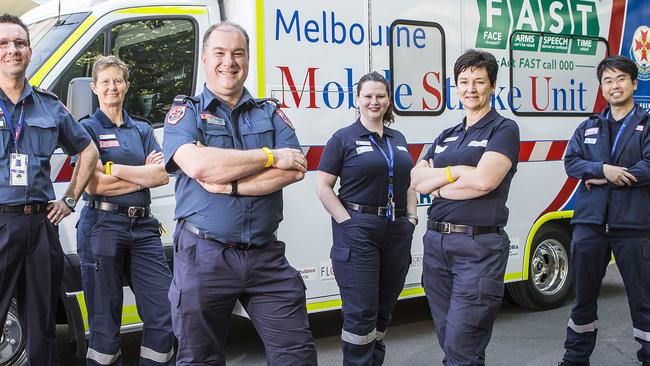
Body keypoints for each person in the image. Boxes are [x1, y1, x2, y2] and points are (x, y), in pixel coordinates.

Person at [162, 21, 317, 366]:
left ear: (247, 59)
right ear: (204, 59)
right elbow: (200, 166)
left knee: (297, 355)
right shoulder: (185, 112)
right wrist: (268, 156)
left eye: (237, 53)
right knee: (199, 358)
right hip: (204, 256)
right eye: (219, 53)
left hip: (266, 257)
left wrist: (230, 185)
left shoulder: (270, 112)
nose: (228, 62)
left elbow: (294, 169)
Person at [410, 49, 520, 365]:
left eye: (479, 81)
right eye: (464, 81)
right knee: (452, 341)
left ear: (493, 85)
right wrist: (456, 172)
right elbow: (417, 180)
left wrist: (439, 183)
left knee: (462, 345)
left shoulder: (503, 129)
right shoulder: (447, 135)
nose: (470, 88)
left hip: (478, 248)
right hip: (437, 247)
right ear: (455, 86)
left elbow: (485, 181)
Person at [0, 13, 98, 366]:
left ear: (28, 52)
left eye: (20, 43)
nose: (13, 49)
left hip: (41, 227)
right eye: (4, 43)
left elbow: (88, 151)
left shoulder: (50, 104)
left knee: (41, 326)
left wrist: (70, 198)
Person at [75, 55, 174, 366]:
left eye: (117, 80)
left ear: (127, 86)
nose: (112, 87)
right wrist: (138, 175)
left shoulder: (141, 128)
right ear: (94, 87)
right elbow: (93, 187)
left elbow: (160, 176)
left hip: (143, 230)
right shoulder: (86, 129)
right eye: (104, 81)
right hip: (101, 226)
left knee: (164, 313)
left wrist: (114, 168)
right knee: (104, 328)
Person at [316, 71, 417, 365]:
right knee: (361, 311)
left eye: (380, 96)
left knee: (384, 309)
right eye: (368, 96)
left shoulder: (398, 139)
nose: (375, 101)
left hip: (397, 230)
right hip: (359, 230)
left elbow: (410, 181)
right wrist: (347, 223)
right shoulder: (343, 138)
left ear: (388, 100)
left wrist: (411, 218)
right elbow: (323, 186)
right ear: (358, 99)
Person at [559, 55, 650, 366]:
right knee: (582, 299)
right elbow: (571, 162)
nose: (615, 85)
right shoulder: (589, 126)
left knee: (643, 301)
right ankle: (575, 359)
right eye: (608, 81)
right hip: (590, 224)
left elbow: (648, 165)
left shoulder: (646, 123)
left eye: (621, 79)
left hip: (634, 225)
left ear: (634, 84)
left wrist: (606, 177)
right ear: (601, 88)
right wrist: (601, 169)